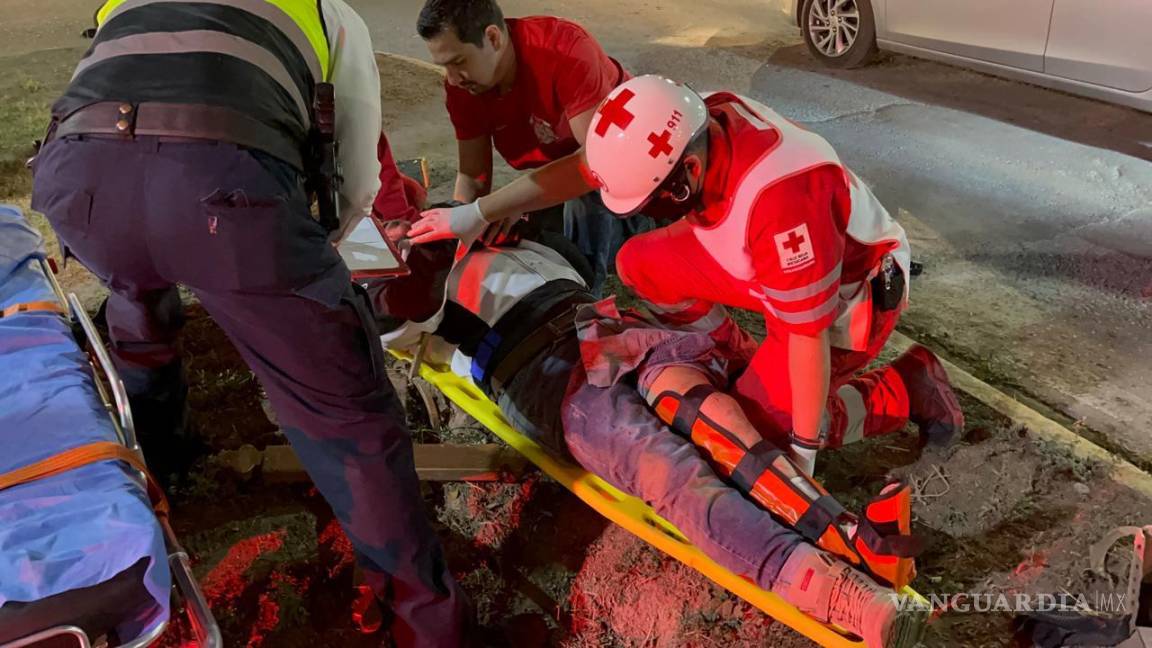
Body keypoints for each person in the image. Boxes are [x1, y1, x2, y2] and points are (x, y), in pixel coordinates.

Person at [29, 1, 468, 644]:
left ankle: (165, 456)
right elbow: (356, 178)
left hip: (81, 184)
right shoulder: (329, 14)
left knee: (137, 297)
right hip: (219, 194)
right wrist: (307, 273)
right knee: (344, 414)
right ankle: (425, 619)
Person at [370, 229, 928, 647]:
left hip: (613, 328)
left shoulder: (501, 234)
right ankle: (840, 595)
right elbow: (397, 317)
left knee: (719, 423)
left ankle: (851, 537)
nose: (403, 227)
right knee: (674, 475)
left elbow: (577, 263)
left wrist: (486, 220)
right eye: (394, 223)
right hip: (545, 372)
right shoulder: (410, 283)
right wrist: (424, 250)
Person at [580, 75, 966, 476]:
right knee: (639, 264)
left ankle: (904, 389)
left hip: (847, 293)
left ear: (689, 170)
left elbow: (808, 335)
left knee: (757, 432)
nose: (647, 213)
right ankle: (735, 357)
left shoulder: (782, 198)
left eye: (652, 200)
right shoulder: (690, 122)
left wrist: (801, 452)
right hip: (767, 260)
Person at [409, 0, 649, 296]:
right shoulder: (464, 85)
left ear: (494, 38)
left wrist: (492, 208)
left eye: (458, 62)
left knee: (580, 209)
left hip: (634, 174)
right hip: (562, 168)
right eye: (443, 66)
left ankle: (583, 302)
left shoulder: (565, 51)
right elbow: (473, 177)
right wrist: (459, 234)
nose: (453, 78)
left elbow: (594, 164)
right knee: (513, 233)